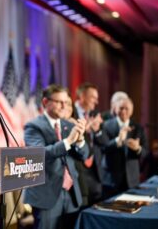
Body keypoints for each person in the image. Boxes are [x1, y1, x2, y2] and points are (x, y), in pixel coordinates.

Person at [23, 84, 89, 229]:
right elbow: (39, 154)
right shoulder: (33, 126)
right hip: (46, 195)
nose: (64, 106)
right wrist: (69, 141)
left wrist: (80, 141)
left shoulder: (68, 125)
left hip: (71, 194)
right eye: (59, 102)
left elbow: (84, 155)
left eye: (66, 102)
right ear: (46, 102)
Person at [102, 97, 148, 197]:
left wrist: (138, 148)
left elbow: (146, 152)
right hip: (111, 180)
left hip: (132, 180)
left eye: (126, 108)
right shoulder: (106, 126)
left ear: (131, 111)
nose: (123, 111)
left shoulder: (138, 128)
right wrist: (117, 140)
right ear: (115, 109)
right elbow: (103, 148)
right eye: (121, 108)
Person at [73, 83, 104, 206]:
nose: (96, 102)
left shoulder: (95, 114)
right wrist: (85, 129)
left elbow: (103, 142)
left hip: (94, 170)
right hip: (78, 168)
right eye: (93, 97)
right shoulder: (69, 112)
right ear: (82, 96)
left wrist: (97, 131)